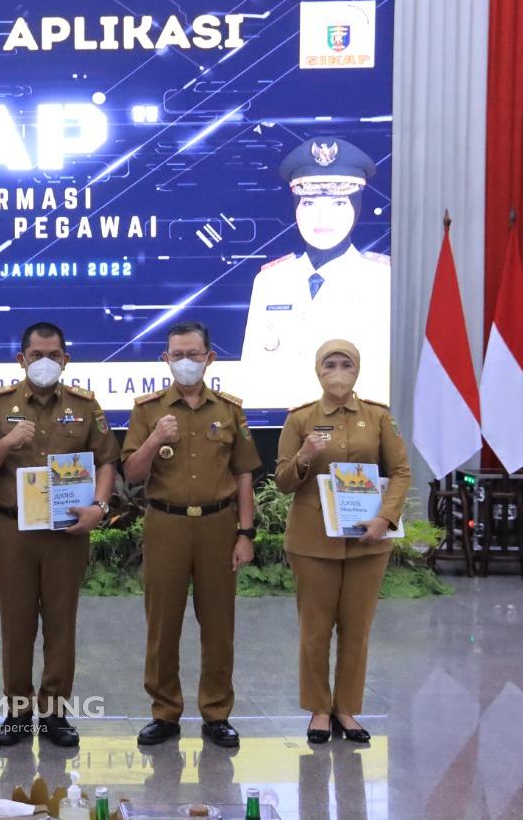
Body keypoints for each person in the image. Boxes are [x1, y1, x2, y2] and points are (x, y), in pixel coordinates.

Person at [0, 321, 119, 748]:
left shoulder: (85, 405)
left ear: (65, 359)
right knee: (16, 624)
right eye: (36, 355)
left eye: (53, 355)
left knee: (61, 621)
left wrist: (100, 506)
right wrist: (8, 442)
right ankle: (17, 713)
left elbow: (106, 460)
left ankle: (54, 712)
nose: (44, 362)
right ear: (22, 359)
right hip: (13, 526)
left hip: (65, 529)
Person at [121, 321, 261, 749]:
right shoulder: (147, 410)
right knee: (163, 624)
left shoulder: (229, 410)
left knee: (218, 625)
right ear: (165, 359)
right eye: (176, 355)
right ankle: (164, 712)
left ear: (209, 358)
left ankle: (216, 713)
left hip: (219, 526)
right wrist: (154, 440)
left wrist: (246, 533)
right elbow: (131, 474)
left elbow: (243, 475)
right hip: (166, 524)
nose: (185, 362)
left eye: (193, 354)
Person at [274, 339, 410, 744]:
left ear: (357, 369)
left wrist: (385, 517)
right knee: (315, 629)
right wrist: (303, 454)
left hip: (369, 541)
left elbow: (400, 471)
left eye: (345, 363)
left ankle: (346, 708)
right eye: (329, 363)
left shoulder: (378, 417)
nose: (338, 370)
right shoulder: (300, 419)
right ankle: (319, 708)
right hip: (313, 542)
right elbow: (282, 482)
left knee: (357, 629)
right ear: (318, 370)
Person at [241, 137, 390, 406]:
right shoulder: (270, 282)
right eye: (309, 203)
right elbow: (253, 377)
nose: (322, 217)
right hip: (282, 435)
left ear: (357, 209)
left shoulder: (384, 281)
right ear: (295, 209)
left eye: (338, 203)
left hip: (359, 435)